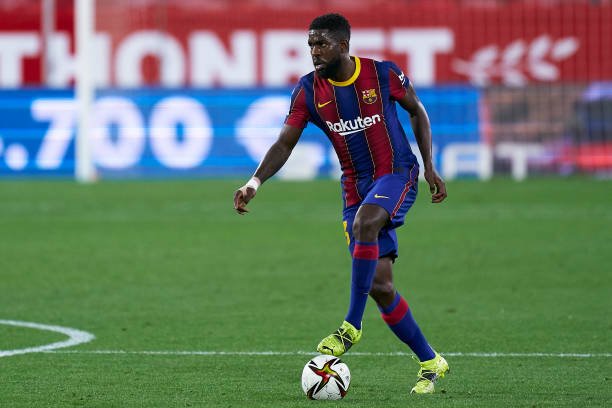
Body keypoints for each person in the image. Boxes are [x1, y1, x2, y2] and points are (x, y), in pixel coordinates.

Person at [233, 13, 449, 394]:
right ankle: (432, 361)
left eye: (322, 44)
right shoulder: (308, 90)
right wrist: (255, 182)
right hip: (354, 188)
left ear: (343, 45)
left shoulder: (382, 74)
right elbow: (284, 143)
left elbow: (417, 110)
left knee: (367, 223)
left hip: (396, 172)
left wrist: (429, 166)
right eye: (311, 45)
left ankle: (351, 326)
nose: (314, 51)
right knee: (381, 285)